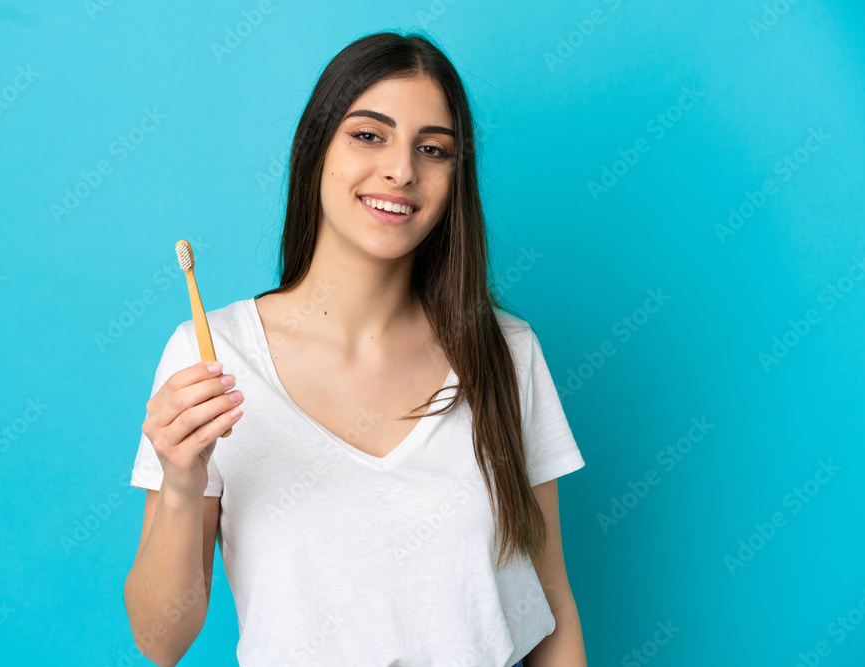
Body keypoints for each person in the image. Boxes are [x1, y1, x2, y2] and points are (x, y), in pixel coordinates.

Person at [124, 30, 587, 667]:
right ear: (318, 149)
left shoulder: (506, 353)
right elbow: (159, 640)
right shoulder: (213, 358)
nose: (402, 169)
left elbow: (552, 607)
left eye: (434, 149)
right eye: (369, 134)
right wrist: (180, 485)